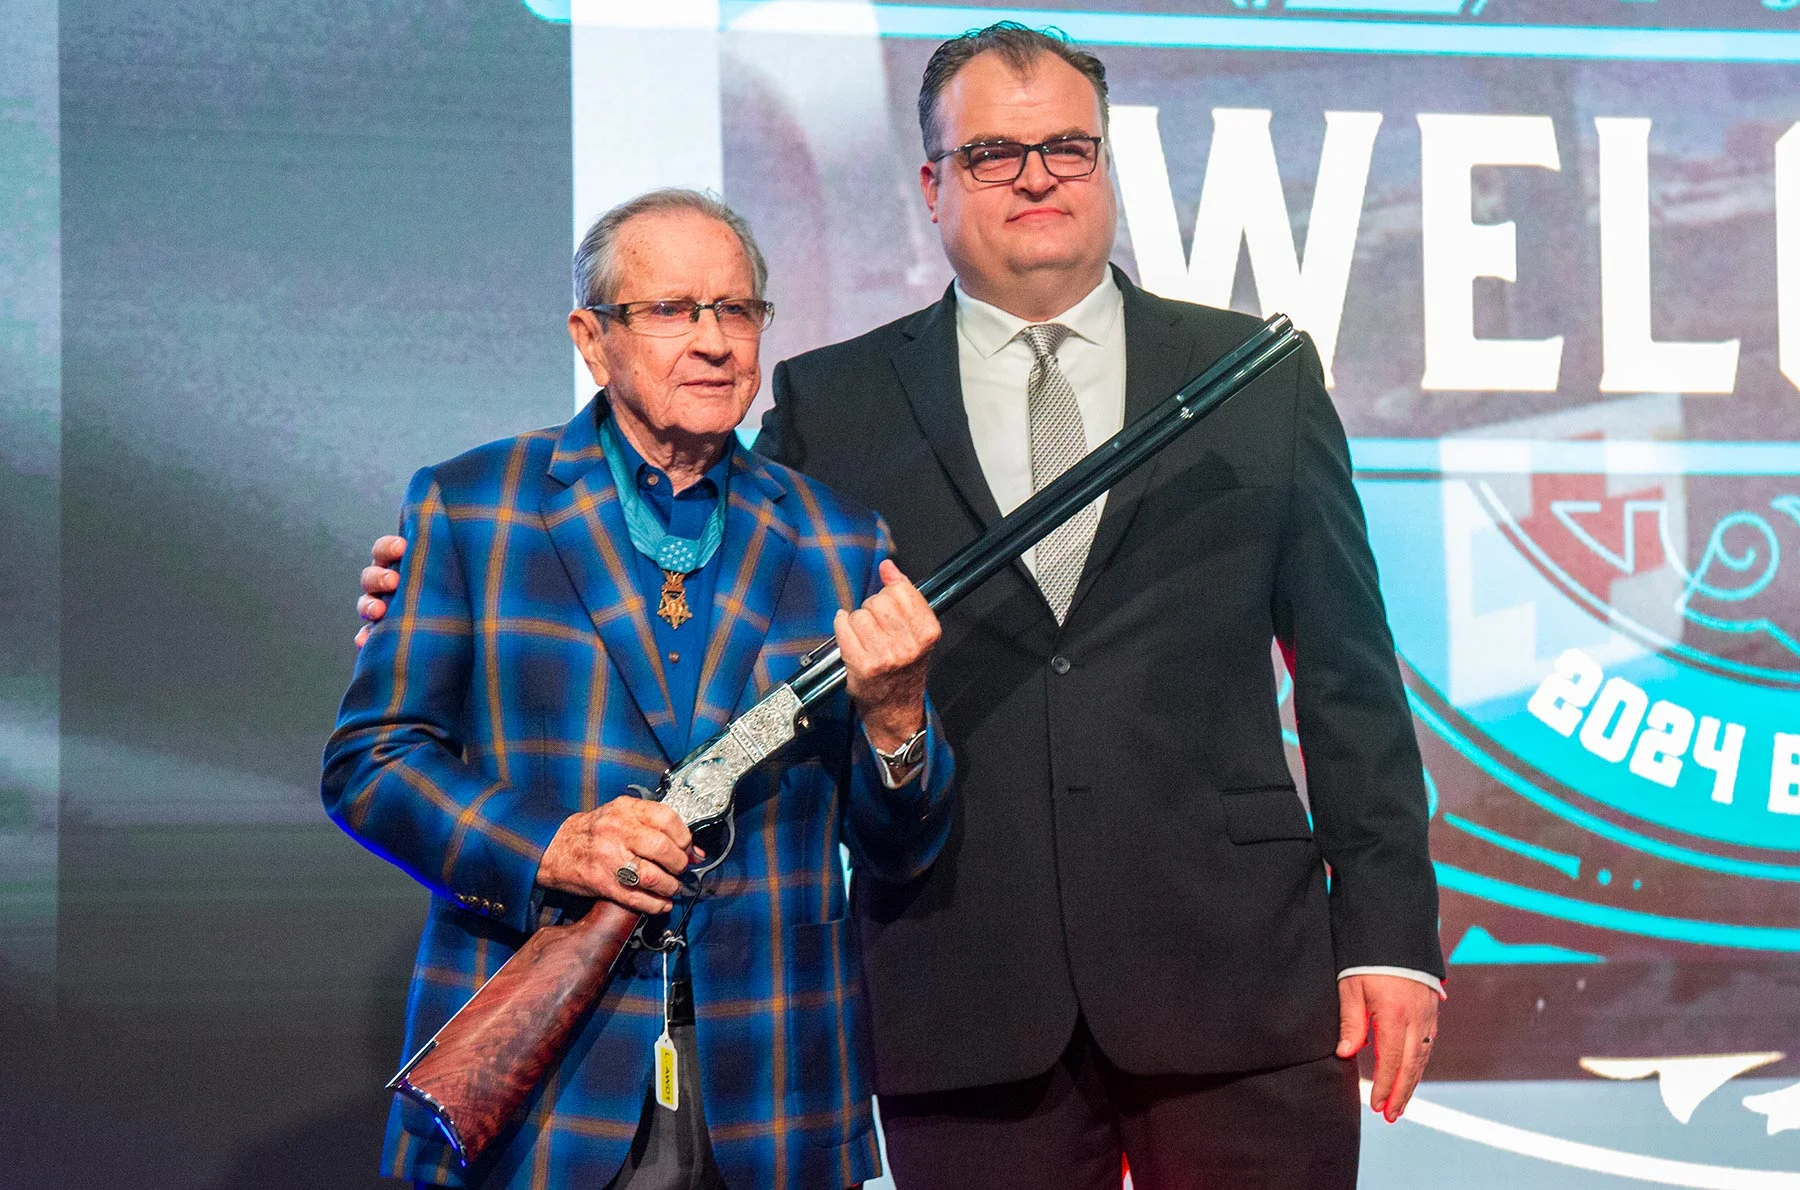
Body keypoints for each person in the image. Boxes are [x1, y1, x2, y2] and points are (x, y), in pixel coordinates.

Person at [358, 24, 1444, 1190]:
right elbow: (687, 559)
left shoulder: (1257, 376)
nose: (1036, 174)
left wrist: (1390, 939)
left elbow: (1349, 678)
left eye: (1067, 147)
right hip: (960, 991)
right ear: (932, 185)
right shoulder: (834, 401)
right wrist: (430, 586)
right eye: (992, 153)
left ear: (1108, 165)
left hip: (1240, 982)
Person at [324, 188, 954, 1190]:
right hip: (544, 1097)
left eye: (736, 310)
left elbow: (902, 845)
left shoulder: (843, 539)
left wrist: (896, 719)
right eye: (671, 310)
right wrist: (552, 843)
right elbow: (371, 762)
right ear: (592, 336)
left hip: (778, 1083)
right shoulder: (472, 505)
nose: (712, 340)